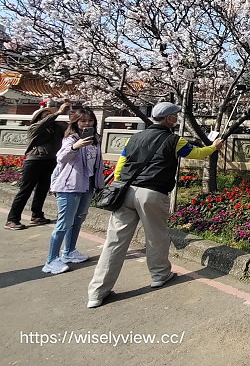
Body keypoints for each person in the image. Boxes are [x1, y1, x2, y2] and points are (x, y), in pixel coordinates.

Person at [87, 101, 223, 308]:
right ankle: (159, 275)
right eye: (174, 116)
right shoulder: (173, 140)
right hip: (152, 193)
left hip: (124, 191)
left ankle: (97, 292)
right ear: (168, 119)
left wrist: (119, 186)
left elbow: (121, 165)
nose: (176, 119)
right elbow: (196, 154)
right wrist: (214, 147)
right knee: (156, 236)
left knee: (115, 242)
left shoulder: (134, 138)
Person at [42, 108, 104, 274]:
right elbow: (61, 158)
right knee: (64, 223)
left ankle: (69, 251)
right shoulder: (71, 138)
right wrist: (75, 147)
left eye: (90, 121)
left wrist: (100, 183)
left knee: (78, 220)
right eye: (83, 121)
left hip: (87, 185)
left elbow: (98, 162)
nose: (87, 124)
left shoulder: (96, 138)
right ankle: (51, 260)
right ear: (76, 122)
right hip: (69, 186)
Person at [5, 100, 70, 230]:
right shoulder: (34, 128)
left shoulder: (56, 128)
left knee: (42, 189)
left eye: (48, 114)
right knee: (25, 190)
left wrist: (72, 115)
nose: (47, 116)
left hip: (50, 160)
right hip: (34, 161)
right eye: (44, 114)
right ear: (38, 118)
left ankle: (37, 215)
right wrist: (57, 112)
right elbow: (43, 124)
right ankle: (12, 219)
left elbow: (69, 130)